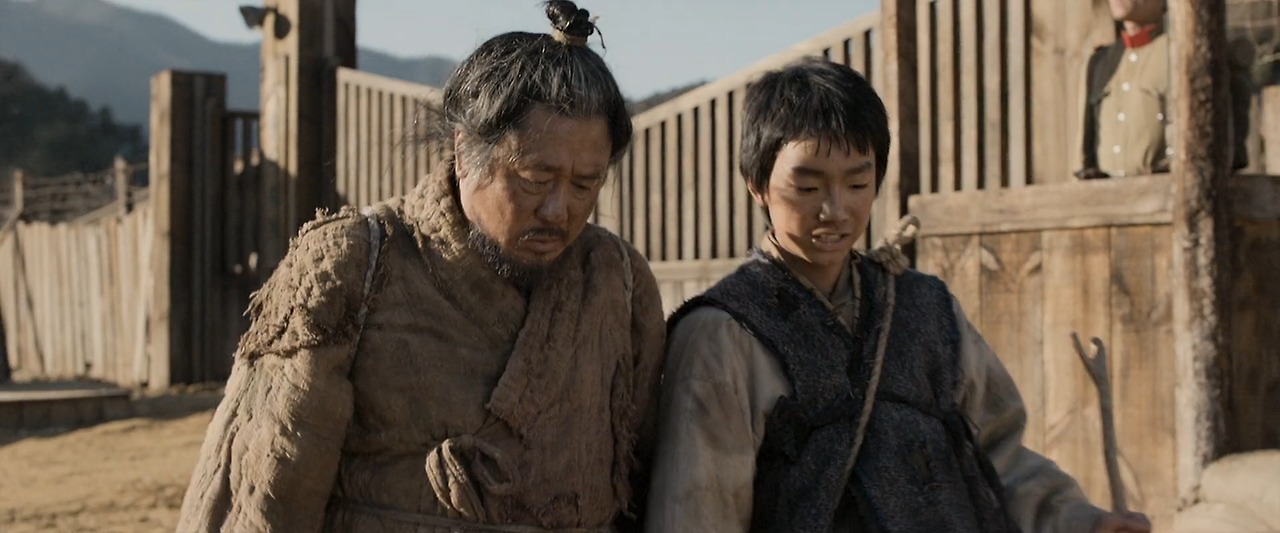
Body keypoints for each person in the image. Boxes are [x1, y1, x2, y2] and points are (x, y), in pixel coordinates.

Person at [176, 2, 666, 532]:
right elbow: (261, 499)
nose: (558, 210)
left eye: (585, 184)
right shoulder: (350, 267)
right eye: (535, 179)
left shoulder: (617, 280)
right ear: (465, 151)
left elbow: (648, 484)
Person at [645, 57, 1154, 533]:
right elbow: (696, 510)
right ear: (756, 183)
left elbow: (1001, 457)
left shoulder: (925, 308)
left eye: (857, 183)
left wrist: (1081, 522)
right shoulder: (722, 335)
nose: (836, 210)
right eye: (809, 187)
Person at [1076, 0, 1249, 180]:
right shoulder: (1101, 63)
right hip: (1108, 194)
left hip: (1169, 191)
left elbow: (1224, 149)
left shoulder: (1188, 53)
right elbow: (1087, 156)